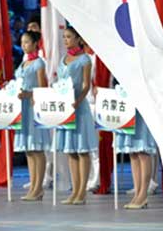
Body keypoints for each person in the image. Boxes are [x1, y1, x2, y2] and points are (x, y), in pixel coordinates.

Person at [56, 27, 97, 205]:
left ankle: (82, 191)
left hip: (79, 108)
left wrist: (77, 101)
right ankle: (74, 190)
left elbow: (86, 84)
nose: (66, 40)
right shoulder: (63, 59)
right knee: (71, 151)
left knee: (82, 150)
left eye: (69, 37)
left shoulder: (84, 59)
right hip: (65, 108)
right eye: (64, 37)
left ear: (78, 39)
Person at [13, 30, 50, 201]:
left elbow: (42, 88)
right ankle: (33, 185)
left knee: (36, 149)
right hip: (23, 108)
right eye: (22, 42)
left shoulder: (39, 63)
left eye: (27, 42)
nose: (24, 45)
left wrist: (28, 95)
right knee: (29, 150)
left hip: (34, 107)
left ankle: (38, 187)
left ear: (35, 44)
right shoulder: (23, 64)